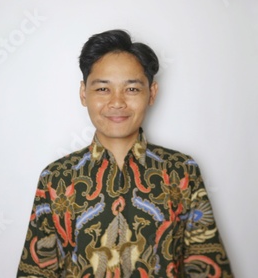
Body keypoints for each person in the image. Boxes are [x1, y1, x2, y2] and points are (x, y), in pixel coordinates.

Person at [17, 30, 234, 277]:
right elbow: (36, 269)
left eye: (131, 89)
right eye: (102, 89)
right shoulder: (56, 178)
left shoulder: (181, 171)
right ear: (83, 93)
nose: (117, 102)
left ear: (151, 93)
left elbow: (206, 265)